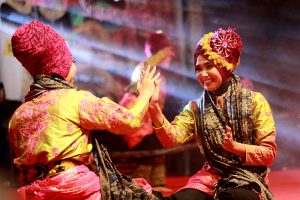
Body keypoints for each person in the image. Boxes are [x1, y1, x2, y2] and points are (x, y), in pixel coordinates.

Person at [8, 19, 160, 200]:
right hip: (77, 191)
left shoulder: (18, 115)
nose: (75, 66)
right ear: (61, 65)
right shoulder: (75, 100)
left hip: (32, 194)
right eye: (71, 60)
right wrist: (144, 94)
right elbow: (129, 121)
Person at [148, 28, 277, 200]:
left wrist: (235, 147)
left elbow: (268, 154)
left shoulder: (255, 101)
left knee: (235, 197)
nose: (203, 74)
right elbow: (171, 139)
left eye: (209, 66)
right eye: (198, 69)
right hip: (210, 178)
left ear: (224, 66)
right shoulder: (196, 108)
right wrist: (154, 108)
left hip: (247, 178)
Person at [117, 30, 174, 192]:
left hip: (149, 125)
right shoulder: (144, 68)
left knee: (160, 146)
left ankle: (157, 185)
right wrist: (162, 52)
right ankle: (137, 188)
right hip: (136, 123)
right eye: (167, 54)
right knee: (151, 149)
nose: (170, 58)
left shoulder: (161, 76)